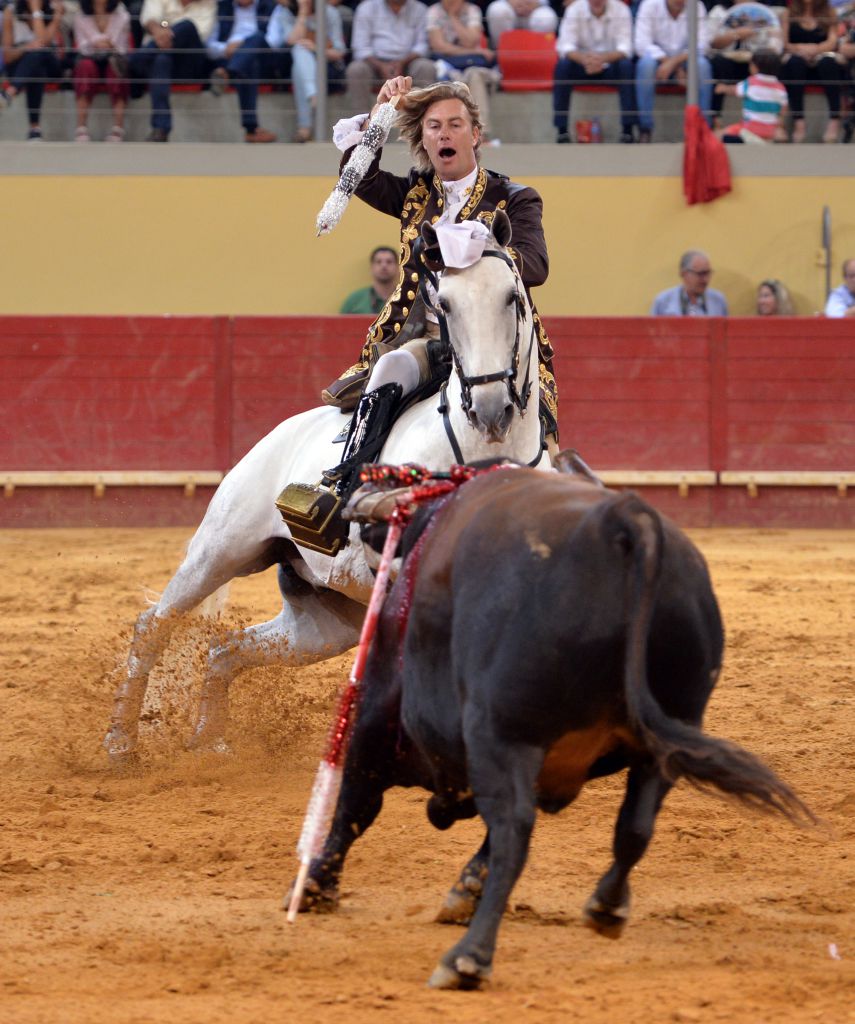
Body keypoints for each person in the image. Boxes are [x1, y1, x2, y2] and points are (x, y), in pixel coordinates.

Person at [319, 79, 558, 497]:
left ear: (475, 135)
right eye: (434, 126)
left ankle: (551, 477)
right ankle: (349, 480)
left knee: (537, 422)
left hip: (491, 338)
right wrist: (379, 114)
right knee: (389, 368)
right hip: (426, 338)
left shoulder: (514, 198)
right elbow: (361, 178)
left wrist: (473, 246)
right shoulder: (415, 194)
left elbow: (535, 265)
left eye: (454, 124)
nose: (444, 134)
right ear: (424, 140)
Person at [130, 0, 217, 141]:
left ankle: (135, 59)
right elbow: (149, 18)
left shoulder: (209, 4)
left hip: (188, 63)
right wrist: (161, 29)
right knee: (161, 59)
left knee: (187, 26)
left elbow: (200, 33)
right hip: (160, 59)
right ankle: (160, 129)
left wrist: (165, 27)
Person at [552, 0, 637, 143]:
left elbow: (626, 47)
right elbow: (565, 46)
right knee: (562, 66)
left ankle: (627, 131)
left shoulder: (621, 10)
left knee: (626, 66)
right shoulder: (574, 9)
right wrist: (584, 59)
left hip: (610, 65)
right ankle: (562, 131)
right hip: (582, 64)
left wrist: (603, 59)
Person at [266, 0, 346, 142]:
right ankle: (313, 95)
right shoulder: (286, 13)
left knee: (299, 66)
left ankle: (305, 127)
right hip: (297, 64)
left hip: (327, 67)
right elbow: (292, 40)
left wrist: (316, 49)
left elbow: (339, 52)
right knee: (299, 51)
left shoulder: (330, 12)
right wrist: (303, 12)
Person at [634, 0, 713, 142]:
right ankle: (645, 128)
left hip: (686, 58)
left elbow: (703, 44)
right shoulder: (649, 5)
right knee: (645, 65)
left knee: (703, 66)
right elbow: (641, 44)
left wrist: (674, 62)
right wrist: (670, 63)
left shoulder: (696, 6)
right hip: (659, 60)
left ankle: (703, 128)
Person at [345, 0, 436, 114]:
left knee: (426, 67)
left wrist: (402, 62)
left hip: (408, 62)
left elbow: (422, 45)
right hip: (374, 63)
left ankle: (422, 118)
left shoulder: (419, 9)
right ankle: (363, 120)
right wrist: (381, 66)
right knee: (356, 69)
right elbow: (360, 47)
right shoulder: (367, 8)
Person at [427, 0, 499, 140]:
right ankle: (451, 136)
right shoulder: (434, 11)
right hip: (446, 66)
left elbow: (470, 41)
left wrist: (453, 17)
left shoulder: (472, 10)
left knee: (475, 75)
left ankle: (480, 133)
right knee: (447, 77)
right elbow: (439, 46)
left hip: (472, 66)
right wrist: (474, 51)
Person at [206, 0, 277, 143]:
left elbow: (274, 41)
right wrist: (225, 49)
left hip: (264, 57)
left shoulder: (269, 6)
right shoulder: (222, 7)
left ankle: (228, 73)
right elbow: (209, 46)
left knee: (257, 38)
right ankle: (251, 130)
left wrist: (244, 46)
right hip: (231, 57)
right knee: (249, 64)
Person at [706, 0, 784, 130]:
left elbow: (776, 47)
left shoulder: (766, 13)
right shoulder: (718, 11)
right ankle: (716, 119)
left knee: (773, 64)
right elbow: (710, 44)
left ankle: (773, 122)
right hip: (728, 62)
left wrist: (758, 49)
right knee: (718, 62)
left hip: (758, 63)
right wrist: (735, 35)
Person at [779, 0, 845, 143]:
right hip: (797, 63)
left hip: (822, 62)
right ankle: (799, 122)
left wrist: (816, 49)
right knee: (795, 63)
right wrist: (801, 49)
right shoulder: (788, 14)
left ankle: (834, 120)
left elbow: (832, 41)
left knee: (828, 62)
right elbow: (784, 43)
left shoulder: (830, 12)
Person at [0, 0, 64, 141]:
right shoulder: (10, 12)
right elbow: (8, 56)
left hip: (50, 65)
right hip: (22, 66)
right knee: (36, 67)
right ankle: (35, 129)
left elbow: (43, 42)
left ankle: (9, 92)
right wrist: (26, 47)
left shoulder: (54, 9)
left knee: (39, 53)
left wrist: (35, 10)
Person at [71, 0, 131, 142]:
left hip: (114, 57)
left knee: (115, 70)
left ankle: (118, 128)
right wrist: (99, 43)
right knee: (85, 67)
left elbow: (120, 45)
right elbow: (82, 46)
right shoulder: (80, 15)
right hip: (89, 57)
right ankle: (81, 127)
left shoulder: (122, 15)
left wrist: (96, 42)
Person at [716, 48, 788, 143]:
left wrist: (723, 88)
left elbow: (735, 90)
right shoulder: (780, 88)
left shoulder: (751, 83)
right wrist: (779, 126)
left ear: (754, 67)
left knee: (717, 135)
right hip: (770, 131)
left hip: (749, 129)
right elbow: (783, 110)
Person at [650, 250, 729, 315]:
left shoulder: (718, 300)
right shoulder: (663, 301)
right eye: (700, 274)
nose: (705, 279)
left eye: (707, 273)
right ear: (684, 274)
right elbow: (652, 329)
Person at [340, 245, 399, 314]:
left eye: (389, 262)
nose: (384, 265)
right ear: (371, 268)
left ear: (398, 268)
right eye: (378, 262)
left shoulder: (407, 300)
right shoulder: (354, 301)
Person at [484, 0, 558, 49]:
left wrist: (537, 3)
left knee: (547, 18)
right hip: (508, 5)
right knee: (498, 11)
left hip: (537, 7)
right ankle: (500, 55)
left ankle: (539, 58)